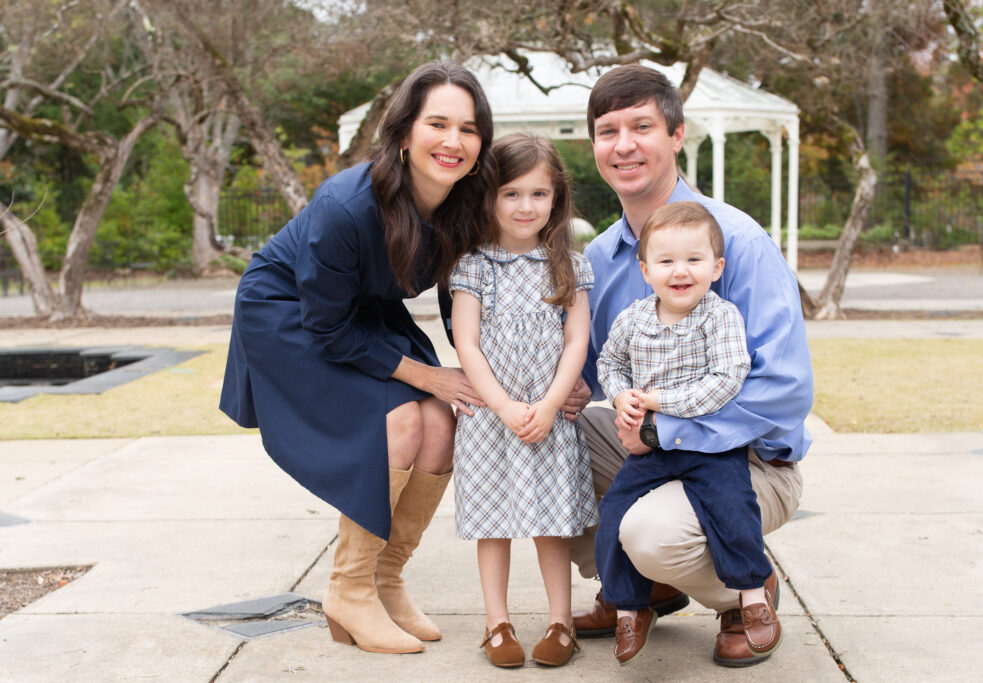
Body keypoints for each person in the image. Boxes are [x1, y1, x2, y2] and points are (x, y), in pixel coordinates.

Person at [219, 61, 495, 655]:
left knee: (443, 421)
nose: (453, 142)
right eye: (438, 124)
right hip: (291, 313)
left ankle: (385, 582)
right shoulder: (346, 206)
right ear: (403, 134)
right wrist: (426, 374)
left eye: (469, 129)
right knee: (397, 420)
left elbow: (462, 303)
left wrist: (488, 376)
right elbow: (327, 328)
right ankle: (347, 590)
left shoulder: (465, 204)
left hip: (362, 313)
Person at [561, 64, 813, 668]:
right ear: (594, 146)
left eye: (641, 126)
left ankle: (742, 592)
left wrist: (665, 430)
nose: (623, 145)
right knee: (538, 438)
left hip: (749, 460)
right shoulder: (601, 255)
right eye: (607, 131)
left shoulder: (736, 242)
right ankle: (639, 586)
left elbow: (784, 389)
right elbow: (593, 367)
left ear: (676, 135)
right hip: (650, 443)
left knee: (651, 533)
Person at [595, 201, 782, 664]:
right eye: (666, 261)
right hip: (651, 455)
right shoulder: (633, 320)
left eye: (694, 260)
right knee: (614, 516)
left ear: (716, 268)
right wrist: (621, 396)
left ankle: (752, 593)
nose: (680, 271)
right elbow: (609, 365)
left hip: (711, 448)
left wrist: (655, 403)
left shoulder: (720, 318)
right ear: (645, 269)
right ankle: (629, 605)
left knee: (732, 509)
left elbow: (724, 381)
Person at [449, 133, 599, 668]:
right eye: (511, 193)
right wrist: (506, 407)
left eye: (539, 194)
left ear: (556, 198)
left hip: (548, 417)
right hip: (493, 419)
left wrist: (553, 403)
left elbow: (576, 339)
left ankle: (561, 623)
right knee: (493, 524)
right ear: (488, 196)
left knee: (550, 523)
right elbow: (466, 342)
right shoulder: (473, 266)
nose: (525, 206)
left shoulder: (569, 264)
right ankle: (497, 623)